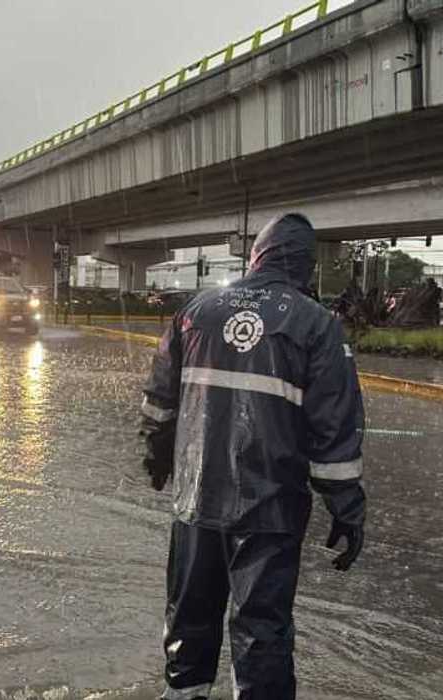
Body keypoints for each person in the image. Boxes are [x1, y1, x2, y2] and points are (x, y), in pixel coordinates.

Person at [139, 213, 366, 700]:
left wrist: (158, 456)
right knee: (261, 627)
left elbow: (160, 401)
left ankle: (184, 694)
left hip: (197, 498)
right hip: (270, 506)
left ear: (257, 255)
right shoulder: (317, 325)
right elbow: (334, 429)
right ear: (305, 266)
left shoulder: (197, 311)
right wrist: (346, 507)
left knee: (189, 614)